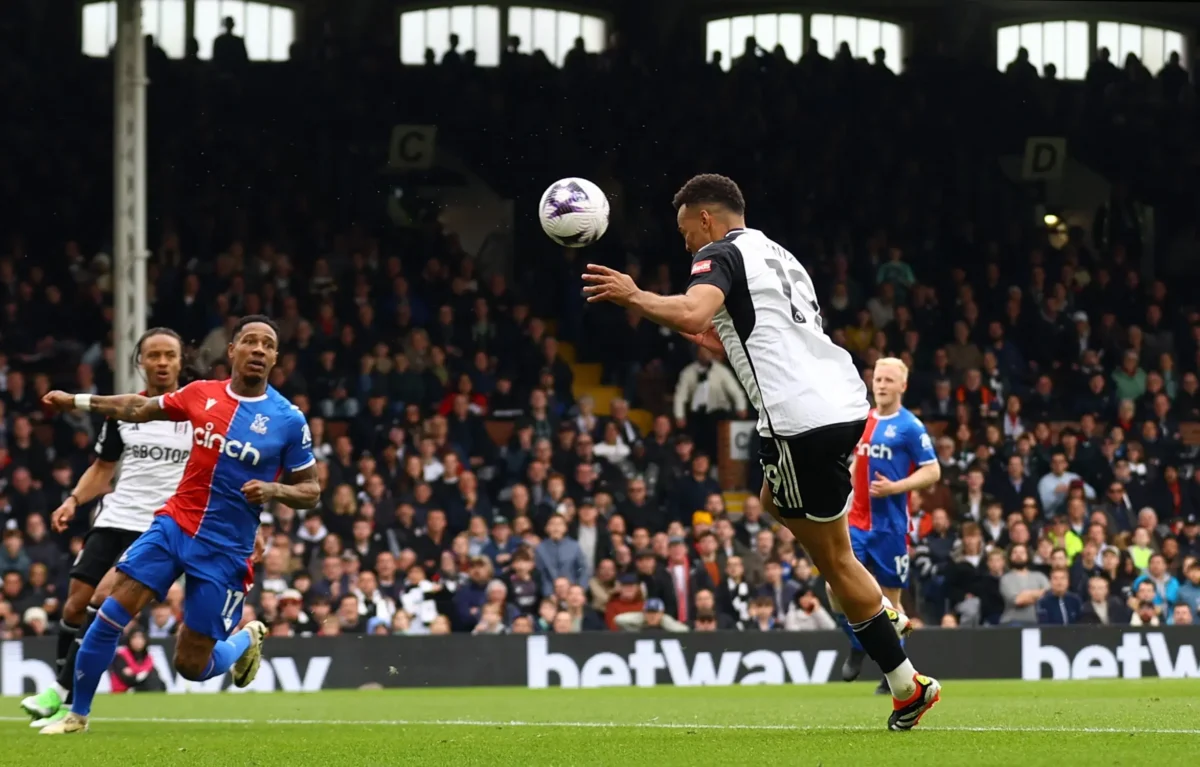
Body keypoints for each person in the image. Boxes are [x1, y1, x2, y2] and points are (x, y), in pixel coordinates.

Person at [581, 174, 940, 731]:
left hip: (799, 422)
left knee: (835, 565)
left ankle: (907, 684)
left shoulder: (718, 253)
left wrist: (635, 295)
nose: (685, 244)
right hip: (843, 404)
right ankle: (878, 608)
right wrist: (698, 326)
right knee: (775, 500)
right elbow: (750, 332)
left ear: (705, 219)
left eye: (684, 232)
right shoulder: (776, 252)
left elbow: (696, 313)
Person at [39, 315, 320, 735]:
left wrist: (275, 491)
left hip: (224, 549)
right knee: (109, 614)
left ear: (275, 357)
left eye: (268, 344)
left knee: (190, 665)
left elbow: (311, 489)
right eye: (250, 342)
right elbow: (136, 407)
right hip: (173, 526)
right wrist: (78, 401)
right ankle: (77, 714)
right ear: (232, 351)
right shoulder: (200, 394)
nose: (258, 350)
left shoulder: (288, 420)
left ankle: (245, 639)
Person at [21, 328, 194, 727]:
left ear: (181, 362)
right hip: (115, 517)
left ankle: (62, 695)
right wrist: (73, 500)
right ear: (140, 362)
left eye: (170, 355)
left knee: (102, 599)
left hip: (158, 526)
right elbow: (102, 470)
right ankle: (63, 697)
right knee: (74, 604)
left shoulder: (192, 413)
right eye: (154, 355)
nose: (163, 362)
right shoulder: (124, 413)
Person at [837, 357, 940, 693]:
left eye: (888, 380)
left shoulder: (909, 426)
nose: (880, 384)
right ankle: (857, 642)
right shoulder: (862, 420)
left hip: (890, 527)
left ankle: (893, 670)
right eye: (877, 378)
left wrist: (896, 487)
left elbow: (932, 470)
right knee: (835, 590)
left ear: (902, 386)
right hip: (855, 521)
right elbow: (854, 462)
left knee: (891, 601)